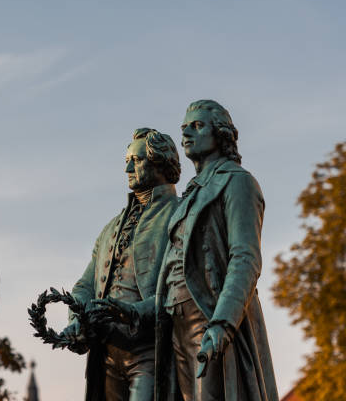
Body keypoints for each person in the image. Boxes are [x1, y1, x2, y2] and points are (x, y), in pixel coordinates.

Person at [95, 100, 279, 401]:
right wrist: (134, 310)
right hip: (174, 325)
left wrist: (222, 323)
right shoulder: (190, 196)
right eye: (184, 128)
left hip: (208, 316)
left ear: (220, 133)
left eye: (197, 126)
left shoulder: (238, 182)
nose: (187, 134)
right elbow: (170, 271)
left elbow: (245, 259)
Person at [61, 128, 181, 401]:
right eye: (127, 160)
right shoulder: (110, 228)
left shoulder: (180, 215)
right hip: (105, 356)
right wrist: (77, 320)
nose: (127, 167)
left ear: (160, 162)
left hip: (149, 353)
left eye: (136, 160)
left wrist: (133, 312)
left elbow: (182, 290)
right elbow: (85, 285)